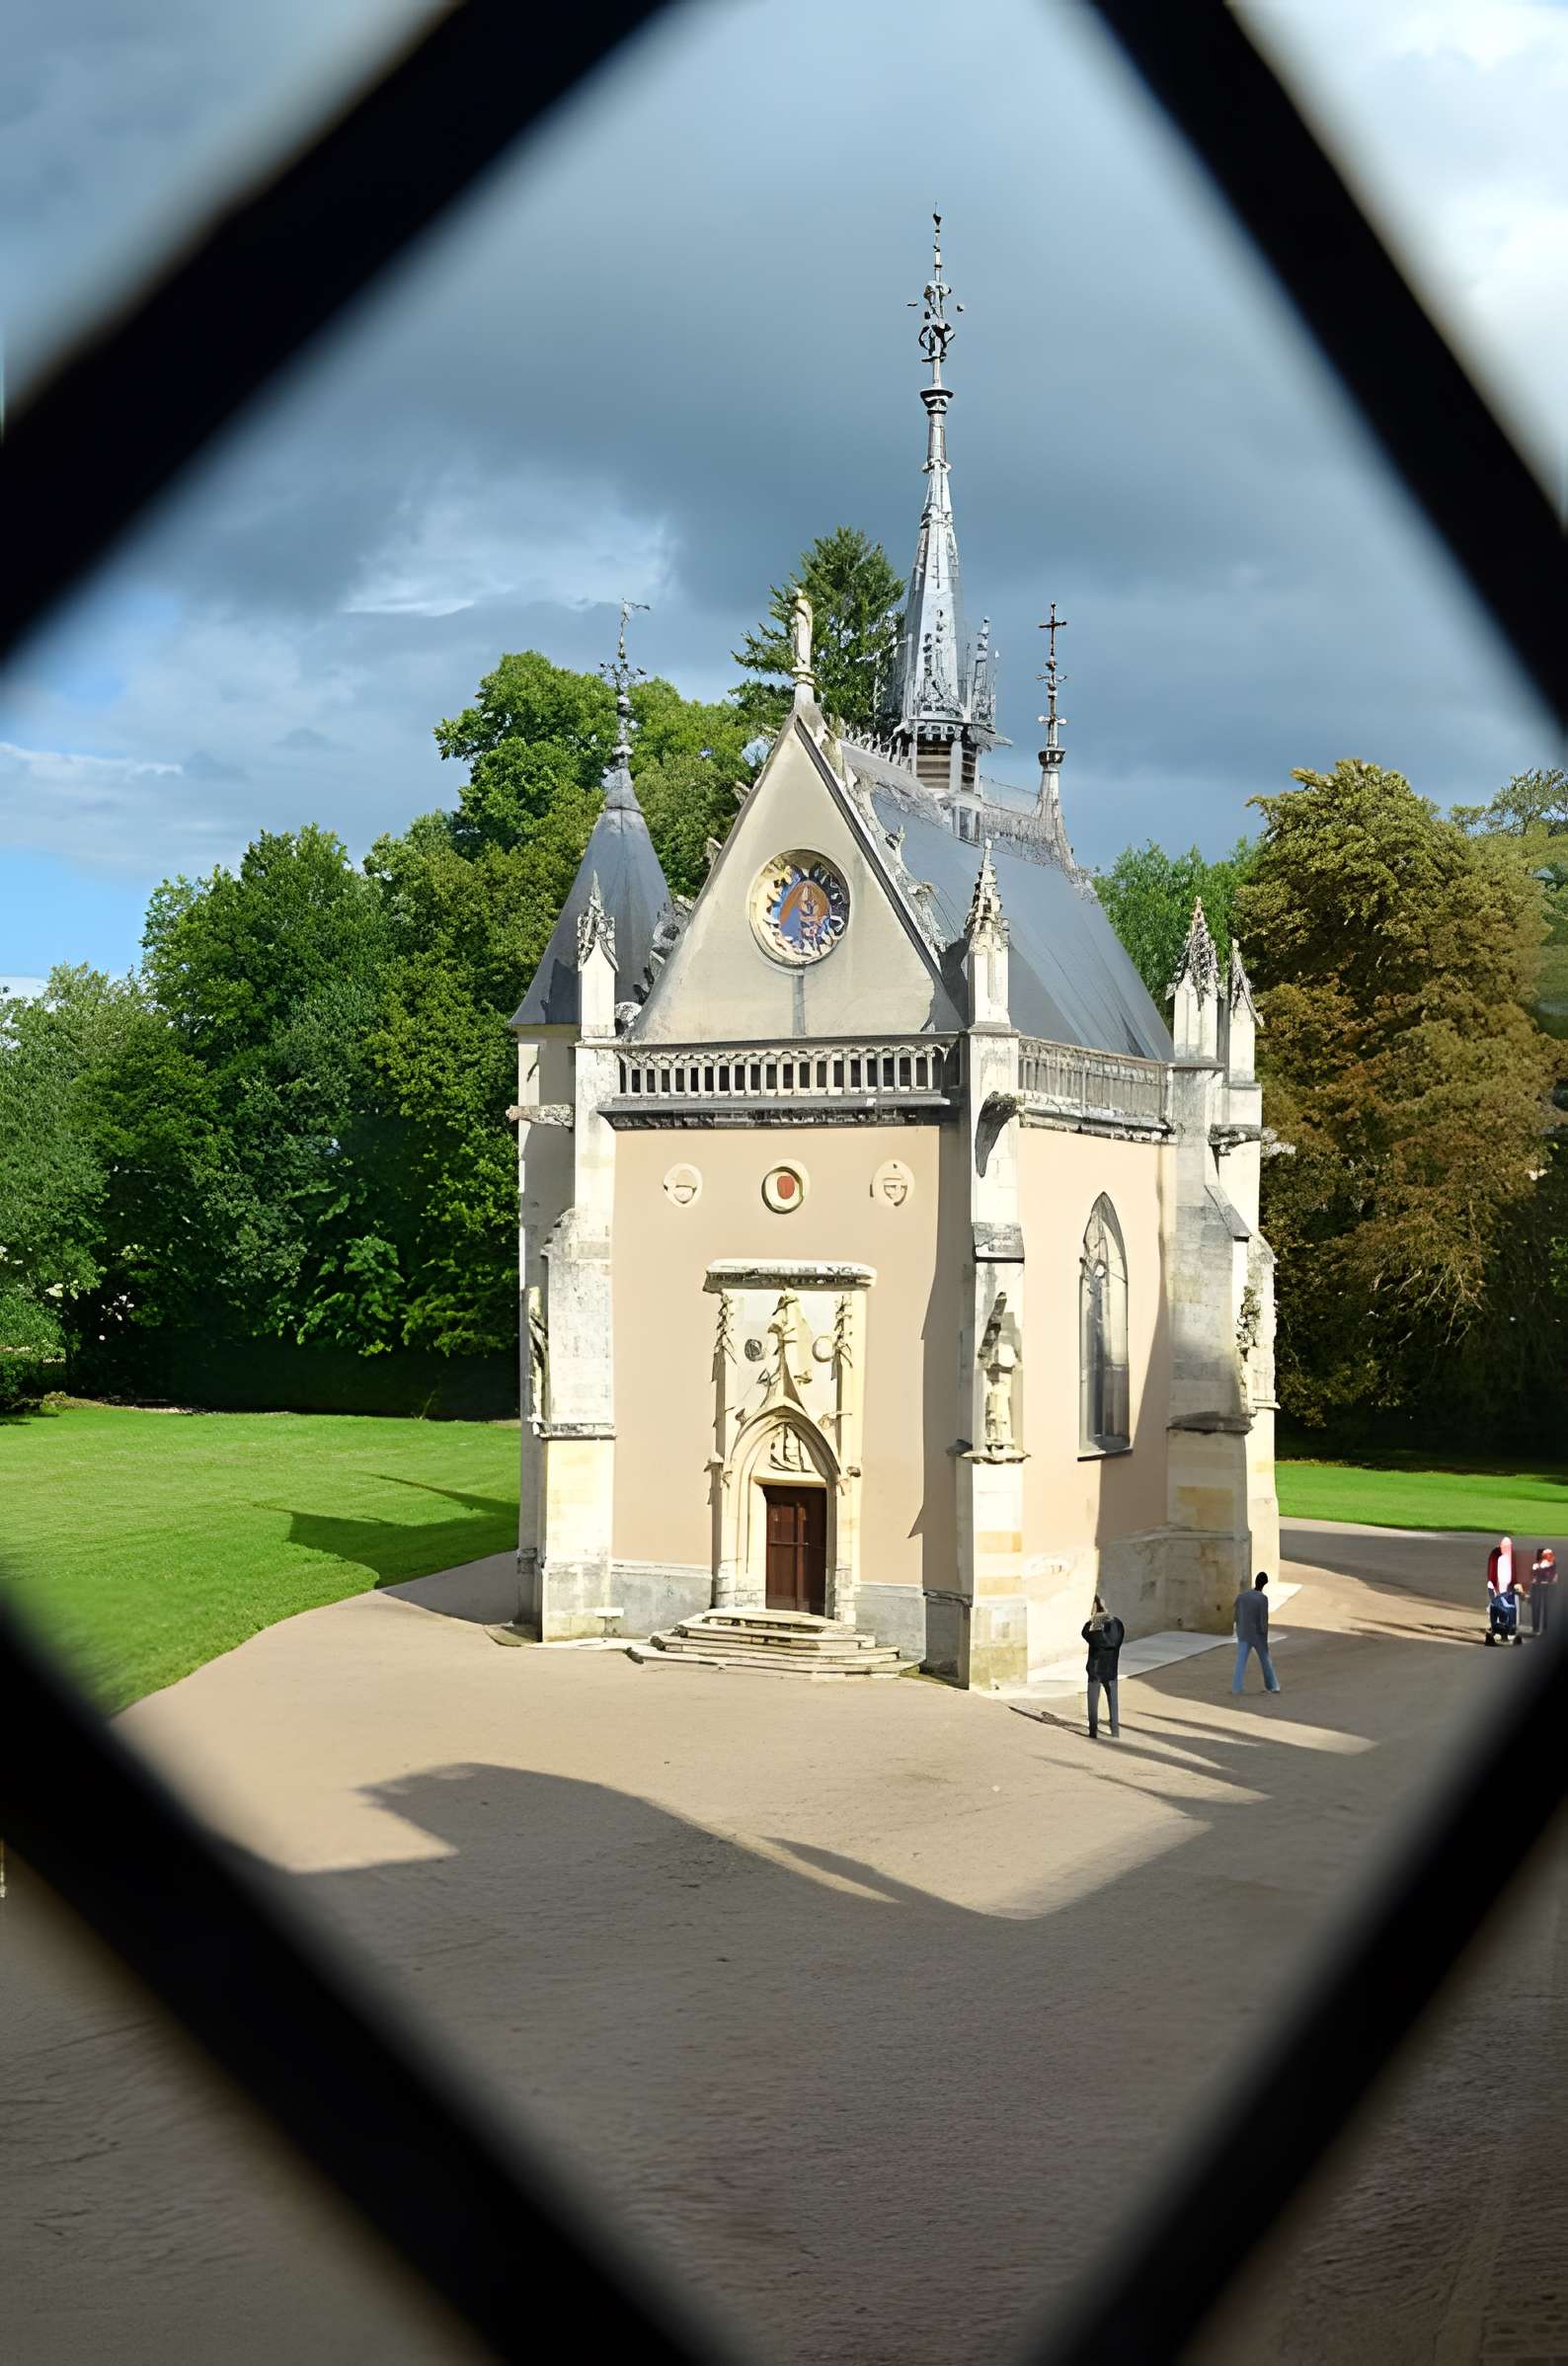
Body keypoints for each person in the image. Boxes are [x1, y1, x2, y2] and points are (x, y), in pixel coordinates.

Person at [1082, 1596, 1126, 1739]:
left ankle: (1093, 1731)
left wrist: (1095, 1619)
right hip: (1111, 1670)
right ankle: (1115, 1730)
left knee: (1093, 1704)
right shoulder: (1118, 1625)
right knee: (1113, 1702)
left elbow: (1086, 1634)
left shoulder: (1095, 1628)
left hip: (1095, 1671)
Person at [1233, 1571, 1281, 1695]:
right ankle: (1272, 1686)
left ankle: (1236, 1688)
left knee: (1240, 1661)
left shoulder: (1242, 1596)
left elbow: (1236, 1614)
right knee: (1265, 1660)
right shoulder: (1262, 1599)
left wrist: (1238, 1629)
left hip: (1243, 1632)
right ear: (1264, 1584)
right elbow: (1263, 1620)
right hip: (1257, 1635)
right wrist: (1264, 1639)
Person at [1486, 1535, 1521, 1645]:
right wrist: (1493, 1589)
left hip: (1508, 1588)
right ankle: (1498, 1631)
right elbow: (1491, 1575)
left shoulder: (1511, 1556)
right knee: (1499, 1607)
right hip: (1497, 1588)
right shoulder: (1495, 1556)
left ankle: (1508, 1632)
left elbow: (1513, 1573)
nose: (1507, 1549)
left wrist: (1516, 1584)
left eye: (1509, 1547)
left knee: (1510, 1607)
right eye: (1505, 1547)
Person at [1530, 1543, 1557, 1639]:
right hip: (1538, 1587)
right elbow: (1536, 1576)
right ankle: (1536, 1629)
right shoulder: (1537, 1565)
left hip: (1547, 1588)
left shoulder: (1551, 1566)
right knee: (1537, 1607)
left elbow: (1552, 1577)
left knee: (1546, 1608)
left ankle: (1545, 1630)